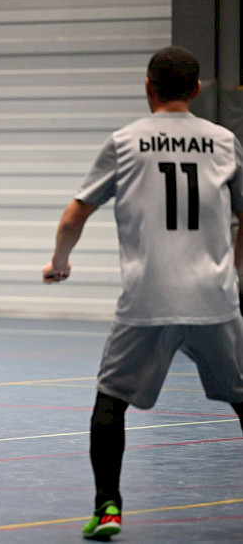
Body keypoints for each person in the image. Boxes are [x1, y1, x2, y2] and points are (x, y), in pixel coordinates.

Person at [43, 46, 243, 540]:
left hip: (147, 301)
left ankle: (107, 508)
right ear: (196, 90)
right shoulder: (224, 142)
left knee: (111, 401)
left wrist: (59, 262)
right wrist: (234, 273)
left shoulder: (126, 142)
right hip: (215, 299)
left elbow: (74, 214)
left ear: (147, 87)